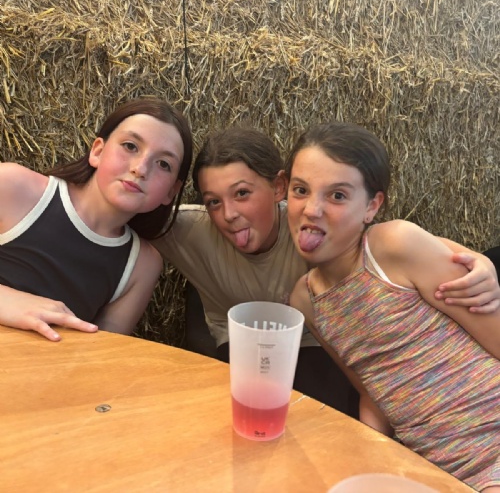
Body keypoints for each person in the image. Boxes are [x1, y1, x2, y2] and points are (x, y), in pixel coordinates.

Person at [151, 125, 500, 417]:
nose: (228, 214)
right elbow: (134, 212)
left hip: (316, 344)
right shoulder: (192, 230)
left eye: (242, 193)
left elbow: (383, 242)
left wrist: (477, 260)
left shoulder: (310, 225)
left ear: (278, 188)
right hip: (245, 346)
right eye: (213, 201)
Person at [286, 122, 499, 491]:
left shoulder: (393, 246)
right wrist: (371, 459)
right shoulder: (306, 301)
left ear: (372, 206)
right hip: (438, 471)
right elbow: (373, 392)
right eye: (300, 190)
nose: (312, 209)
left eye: (338, 195)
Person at [0, 97, 193, 341]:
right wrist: (9, 302)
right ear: (97, 151)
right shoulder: (12, 186)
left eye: (163, 164)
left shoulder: (141, 264)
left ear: (171, 192)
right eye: (130, 146)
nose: (141, 169)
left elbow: (102, 351)